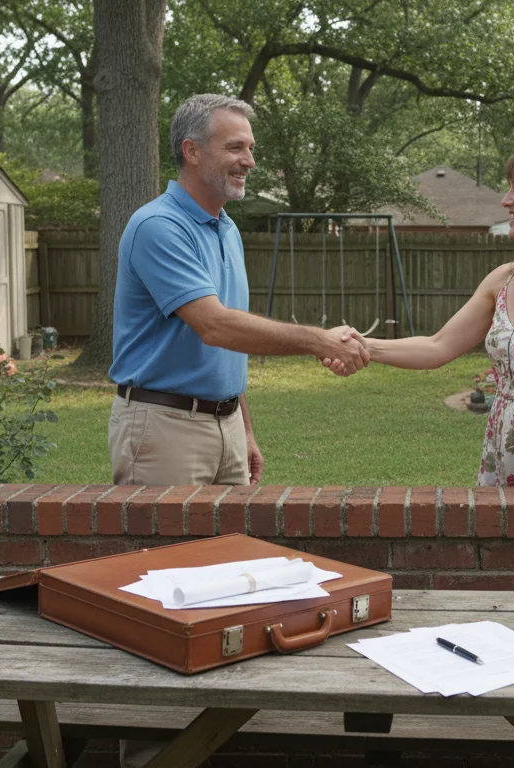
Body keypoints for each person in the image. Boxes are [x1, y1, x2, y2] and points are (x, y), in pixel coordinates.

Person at [340, 140, 514, 529]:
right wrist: (362, 346)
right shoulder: (503, 279)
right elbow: (438, 346)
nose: (506, 200)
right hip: (502, 449)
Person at [107, 93, 368, 489]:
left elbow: (230, 342)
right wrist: (319, 341)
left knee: (233, 550)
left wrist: (242, 428)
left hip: (224, 424)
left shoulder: (226, 228)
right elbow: (215, 326)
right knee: (174, 551)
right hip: (165, 427)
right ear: (191, 151)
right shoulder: (158, 226)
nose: (249, 161)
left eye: (250, 148)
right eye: (235, 147)